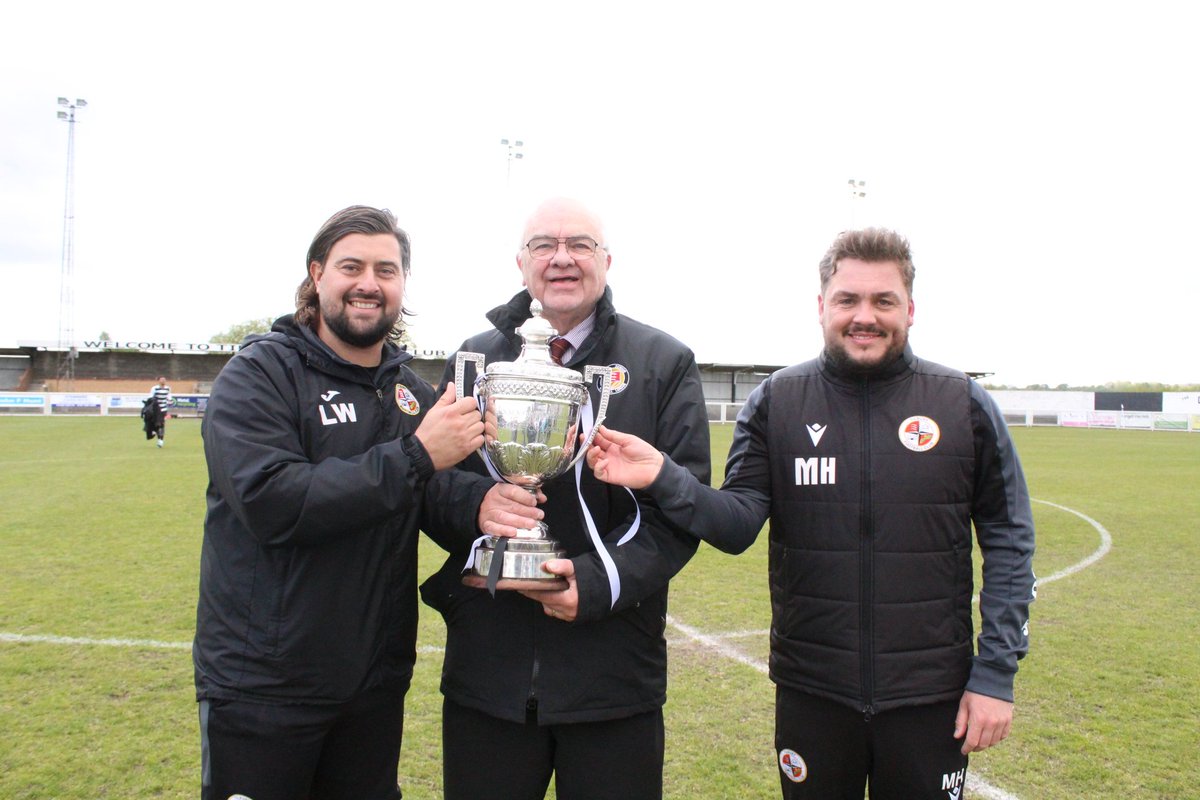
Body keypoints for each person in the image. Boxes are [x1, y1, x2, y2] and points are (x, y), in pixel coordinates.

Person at [586, 228, 1036, 799]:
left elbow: (1010, 542)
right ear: (822, 306)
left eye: (883, 301)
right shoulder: (778, 400)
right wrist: (662, 475)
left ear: (911, 309)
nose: (864, 316)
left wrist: (996, 673)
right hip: (812, 694)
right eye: (848, 300)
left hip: (931, 697)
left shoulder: (963, 402)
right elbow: (736, 524)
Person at [193, 205, 542, 800]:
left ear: (402, 285)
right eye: (351, 266)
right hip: (268, 687)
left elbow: (431, 489)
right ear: (317, 274)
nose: (368, 284)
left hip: (374, 683)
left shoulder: (408, 389)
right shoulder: (260, 373)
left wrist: (482, 504)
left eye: (387, 270)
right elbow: (273, 501)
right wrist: (417, 457)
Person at [418, 197, 711, 800]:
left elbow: (682, 512)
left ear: (607, 260)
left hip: (612, 679)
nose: (562, 259)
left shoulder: (662, 362)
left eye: (579, 244)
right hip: (487, 677)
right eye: (543, 246)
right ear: (520, 264)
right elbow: (426, 481)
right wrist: (477, 506)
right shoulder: (473, 359)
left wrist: (600, 585)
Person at [149, 375, 171, 447]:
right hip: (155, 409)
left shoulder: (168, 388)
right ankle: (154, 431)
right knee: (157, 424)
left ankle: (160, 440)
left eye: (164, 380)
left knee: (161, 424)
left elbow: (169, 397)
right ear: (158, 381)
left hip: (163, 410)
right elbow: (150, 398)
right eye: (162, 380)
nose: (163, 381)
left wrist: (170, 400)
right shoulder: (154, 388)